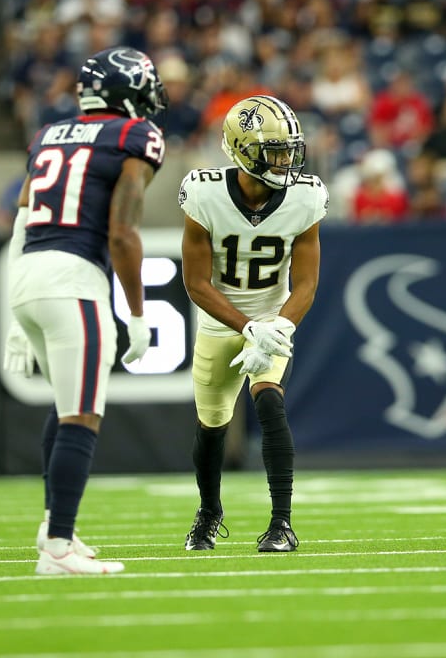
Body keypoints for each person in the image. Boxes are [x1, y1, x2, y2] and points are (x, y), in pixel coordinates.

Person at [2, 46, 168, 575]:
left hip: (28, 273)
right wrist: (138, 315)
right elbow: (122, 233)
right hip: (73, 279)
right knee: (82, 413)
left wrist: (12, 317)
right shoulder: (133, 137)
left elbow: (22, 221)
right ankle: (58, 546)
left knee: (64, 403)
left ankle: (55, 525)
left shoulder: (47, 134)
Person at [178, 94, 328, 553]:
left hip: (272, 318)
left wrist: (277, 327)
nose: (286, 160)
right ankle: (208, 514)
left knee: (269, 403)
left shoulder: (305, 196)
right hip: (221, 323)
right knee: (213, 423)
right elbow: (197, 284)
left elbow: (305, 283)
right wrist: (247, 327)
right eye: (275, 151)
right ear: (242, 151)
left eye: (289, 150)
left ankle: (281, 523)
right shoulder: (203, 193)